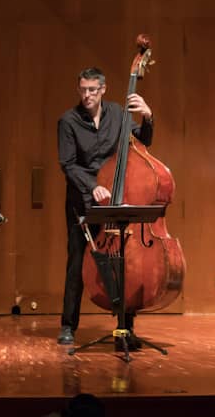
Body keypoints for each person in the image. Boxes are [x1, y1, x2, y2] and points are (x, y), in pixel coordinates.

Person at [56, 67, 154, 347]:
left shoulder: (118, 115)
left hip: (115, 198)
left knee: (122, 262)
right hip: (83, 201)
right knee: (76, 262)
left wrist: (147, 115)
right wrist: (92, 185)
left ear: (103, 89)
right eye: (83, 90)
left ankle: (125, 325)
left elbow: (144, 140)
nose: (87, 95)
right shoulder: (68, 121)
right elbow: (68, 164)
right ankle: (68, 326)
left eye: (92, 90)